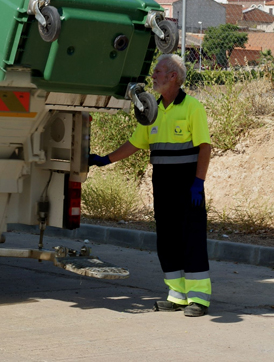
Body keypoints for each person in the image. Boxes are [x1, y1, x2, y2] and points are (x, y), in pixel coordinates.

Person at [89, 54, 213, 317]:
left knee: (190, 239)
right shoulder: (150, 111)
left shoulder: (193, 107)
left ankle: (199, 298)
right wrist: (105, 160)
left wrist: (198, 183)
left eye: (158, 72)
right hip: (163, 183)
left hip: (188, 183)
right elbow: (135, 143)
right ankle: (177, 295)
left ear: (173, 77)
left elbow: (205, 146)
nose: (153, 76)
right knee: (167, 239)